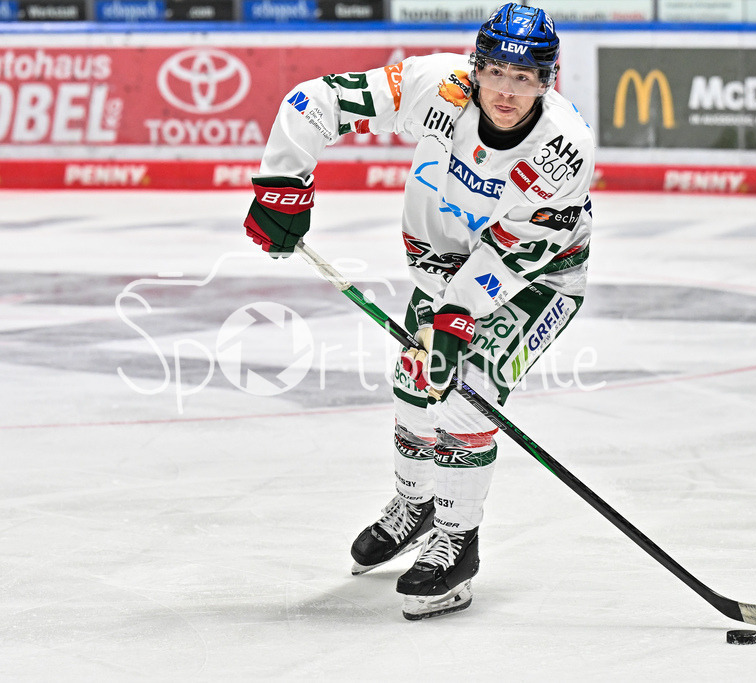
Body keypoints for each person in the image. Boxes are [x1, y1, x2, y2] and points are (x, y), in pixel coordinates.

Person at [243, 3, 595, 620]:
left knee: (466, 391)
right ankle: (417, 504)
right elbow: (311, 102)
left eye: (525, 78)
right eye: (497, 72)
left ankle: (458, 540)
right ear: (476, 65)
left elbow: (518, 252)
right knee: (415, 383)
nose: (506, 91)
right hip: (441, 275)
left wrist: (454, 321)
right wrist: (283, 185)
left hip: (536, 280)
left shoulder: (564, 149)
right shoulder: (439, 85)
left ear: (548, 80)